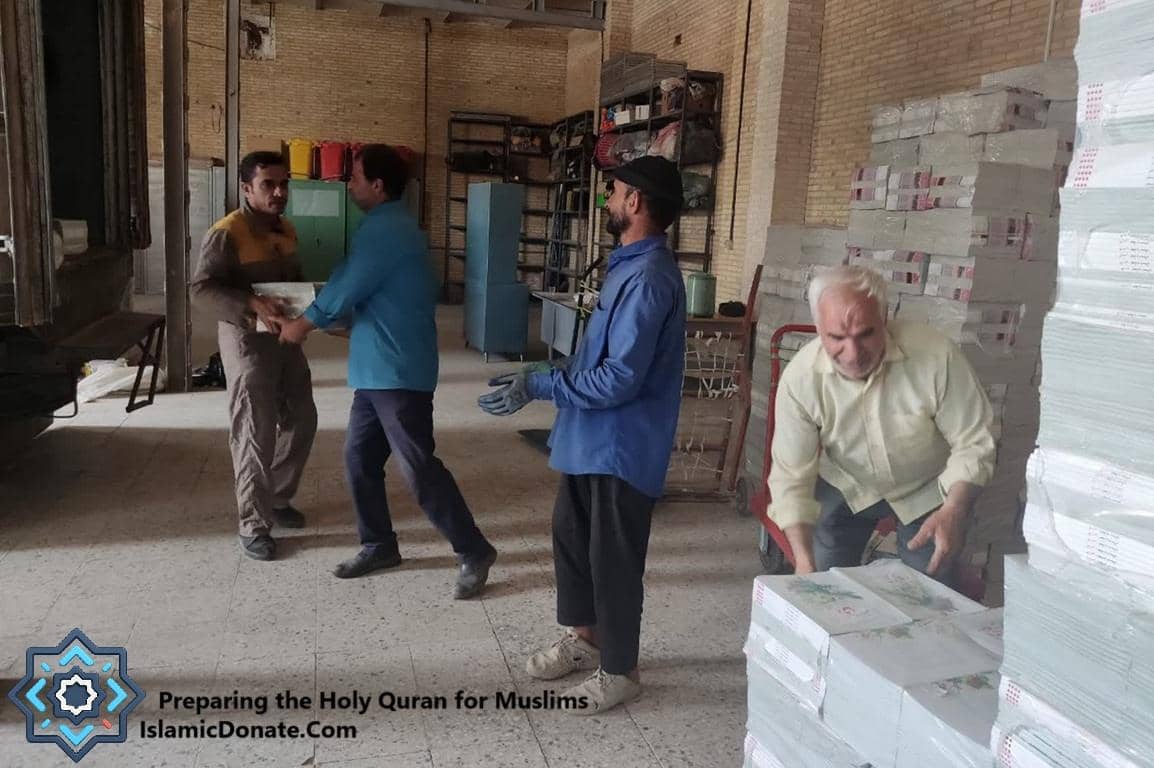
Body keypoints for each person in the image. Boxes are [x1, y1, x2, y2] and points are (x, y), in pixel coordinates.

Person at [478, 156, 687, 714]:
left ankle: (621, 670)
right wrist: (547, 372)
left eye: (613, 192)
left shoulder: (648, 278)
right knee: (572, 539)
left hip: (621, 445)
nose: (607, 201)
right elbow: (599, 357)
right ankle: (586, 640)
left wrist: (543, 384)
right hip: (589, 438)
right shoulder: (627, 266)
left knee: (612, 558)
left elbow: (620, 378)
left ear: (635, 202)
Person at [278, 144, 497, 600]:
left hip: (397, 371)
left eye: (355, 178)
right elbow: (355, 285)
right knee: (359, 459)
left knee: (418, 465)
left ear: (378, 186)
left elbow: (346, 287)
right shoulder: (386, 227)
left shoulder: (387, 230)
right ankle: (379, 544)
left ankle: (474, 549)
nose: (349, 186)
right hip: (376, 370)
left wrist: (302, 324)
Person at [768, 265, 998, 584]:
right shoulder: (800, 379)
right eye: (836, 337)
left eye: (866, 334)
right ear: (818, 328)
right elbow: (791, 475)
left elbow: (974, 440)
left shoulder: (936, 357)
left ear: (884, 318)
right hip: (847, 481)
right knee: (825, 580)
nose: (852, 354)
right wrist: (804, 564)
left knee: (930, 586)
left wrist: (956, 509)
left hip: (925, 486)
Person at [191, 151, 317, 561]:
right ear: (247, 188)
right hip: (246, 341)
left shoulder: (287, 230)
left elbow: (295, 280)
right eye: (268, 185)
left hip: (285, 338)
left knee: (302, 418)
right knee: (254, 430)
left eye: (284, 184)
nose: (279, 192)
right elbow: (201, 289)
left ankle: (277, 498)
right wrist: (251, 303)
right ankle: (253, 523)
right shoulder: (227, 233)